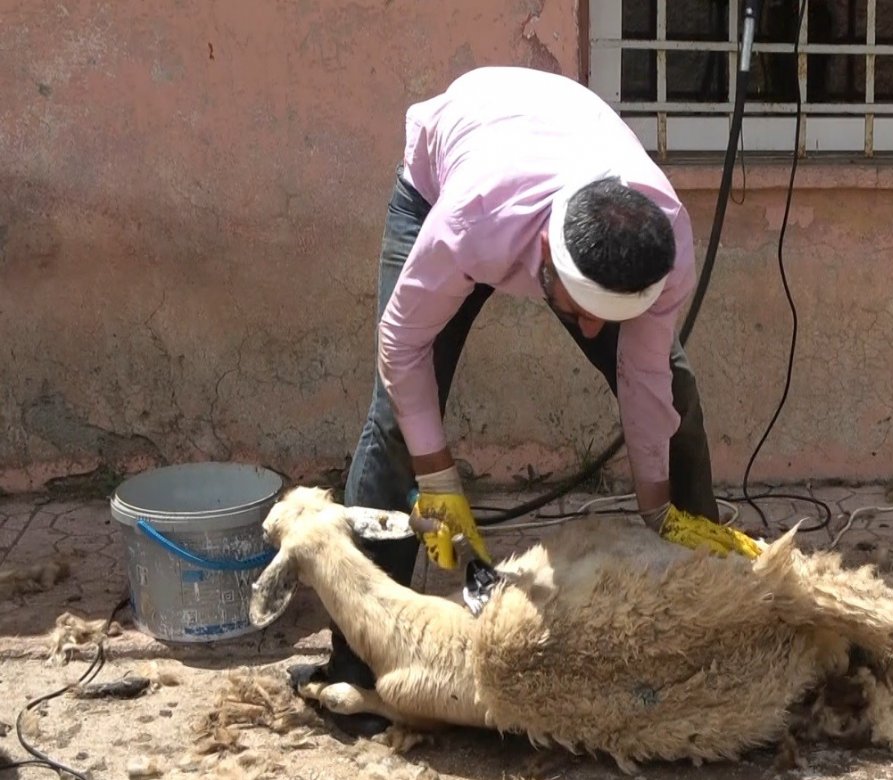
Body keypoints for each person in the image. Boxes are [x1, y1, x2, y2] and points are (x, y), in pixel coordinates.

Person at [287, 66, 760, 737]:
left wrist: (660, 512)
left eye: (608, 316)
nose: (591, 331)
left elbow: (647, 379)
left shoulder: (663, 244)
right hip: (448, 178)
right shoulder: (472, 221)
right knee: (394, 428)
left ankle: (713, 601)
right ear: (547, 255)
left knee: (677, 390)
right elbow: (402, 345)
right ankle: (355, 665)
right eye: (582, 313)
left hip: (553, 154)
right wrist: (439, 480)